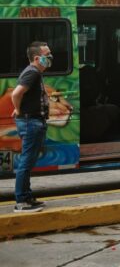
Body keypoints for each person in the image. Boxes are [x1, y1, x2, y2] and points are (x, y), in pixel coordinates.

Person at [10, 41, 52, 212]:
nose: (50, 57)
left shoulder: (34, 73)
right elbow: (16, 93)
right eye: (47, 55)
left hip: (32, 121)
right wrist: (18, 109)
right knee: (26, 163)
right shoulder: (32, 73)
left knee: (28, 161)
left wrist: (18, 109)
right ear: (37, 58)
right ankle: (21, 201)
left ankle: (27, 197)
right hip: (30, 122)